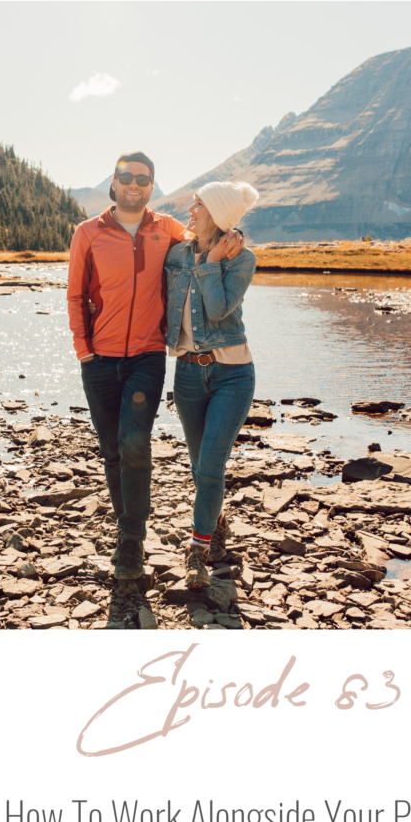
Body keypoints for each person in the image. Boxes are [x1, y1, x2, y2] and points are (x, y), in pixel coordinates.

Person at [67, 152, 192, 618]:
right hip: (99, 360)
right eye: (126, 177)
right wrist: (84, 349)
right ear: (114, 184)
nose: (134, 184)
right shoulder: (88, 232)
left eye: (143, 178)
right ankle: (128, 529)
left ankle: (132, 542)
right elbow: (76, 295)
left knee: (135, 442)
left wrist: (231, 239)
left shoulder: (168, 229)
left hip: (146, 355)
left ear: (152, 185)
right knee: (112, 450)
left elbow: (202, 244)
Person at [163, 180, 259, 590]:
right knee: (199, 468)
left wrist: (212, 262)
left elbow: (219, 310)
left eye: (198, 204)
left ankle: (197, 552)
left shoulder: (241, 259)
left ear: (216, 214)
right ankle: (216, 524)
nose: (190, 210)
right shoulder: (175, 255)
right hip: (187, 372)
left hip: (232, 374)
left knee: (210, 466)